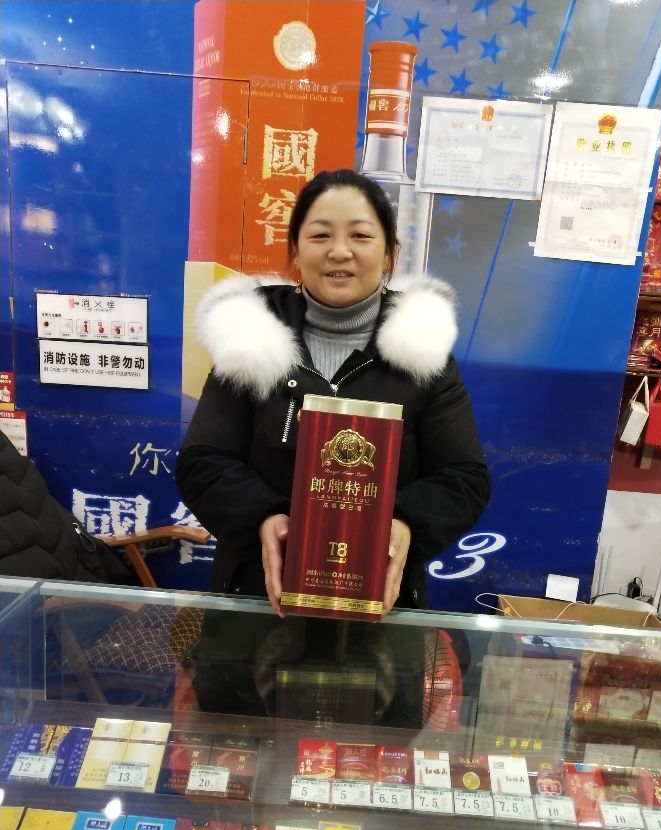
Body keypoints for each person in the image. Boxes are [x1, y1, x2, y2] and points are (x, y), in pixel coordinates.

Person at [175, 168, 490, 718]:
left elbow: (464, 477)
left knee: (370, 754)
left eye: (360, 235)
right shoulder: (250, 342)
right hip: (258, 600)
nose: (339, 251)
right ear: (295, 250)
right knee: (240, 750)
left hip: (381, 613)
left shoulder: (423, 357)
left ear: (389, 252)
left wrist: (403, 523)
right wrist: (265, 519)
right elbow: (204, 461)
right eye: (320, 234)